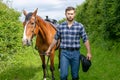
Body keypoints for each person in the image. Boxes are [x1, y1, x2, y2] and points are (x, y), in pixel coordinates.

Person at [46, 6, 92, 80]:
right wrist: (49, 49)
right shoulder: (61, 26)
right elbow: (55, 38)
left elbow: (85, 39)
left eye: (72, 14)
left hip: (76, 53)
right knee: (63, 76)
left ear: (74, 14)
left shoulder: (80, 26)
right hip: (64, 53)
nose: (70, 15)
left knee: (75, 75)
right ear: (65, 14)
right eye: (68, 14)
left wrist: (89, 52)